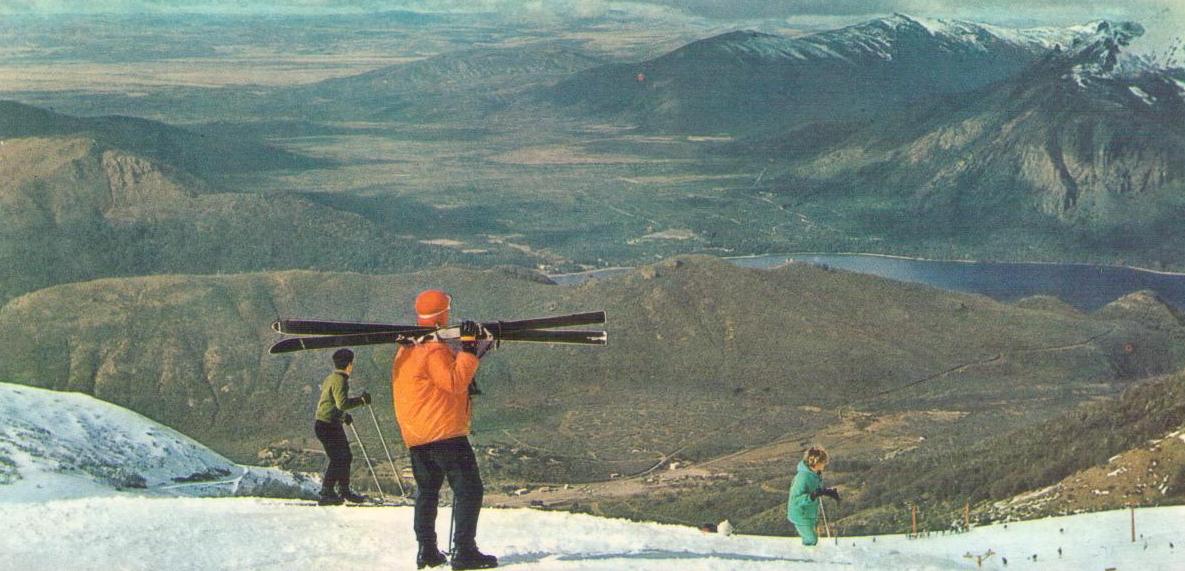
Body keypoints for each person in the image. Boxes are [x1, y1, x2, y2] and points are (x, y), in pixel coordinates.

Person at [393, 289, 497, 570]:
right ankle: (464, 551)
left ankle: (427, 550)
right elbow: (454, 382)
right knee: (469, 489)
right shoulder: (433, 349)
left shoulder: (406, 348)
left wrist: (469, 352)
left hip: (417, 436)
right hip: (444, 434)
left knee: (427, 492)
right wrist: (468, 349)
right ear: (443, 313)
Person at [313, 348, 372, 506]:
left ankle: (340, 491)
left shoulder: (331, 378)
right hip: (328, 424)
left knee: (343, 456)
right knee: (340, 457)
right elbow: (342, 403)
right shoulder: (340, 380)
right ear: (349, 365)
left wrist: (342, 416)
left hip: (326, 423)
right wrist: (361, 400)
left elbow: (329, 402)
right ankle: (328, 492)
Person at [787, 446, 840, 546]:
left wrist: (827, 492)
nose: (825, 464)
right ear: (816, 462)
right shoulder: (802, 477)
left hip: (810, 513)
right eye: (823, 461)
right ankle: (806, 560)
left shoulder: (815, 474)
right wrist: (812, 496)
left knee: (812, 540)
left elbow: (816, 491)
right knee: (811, 539)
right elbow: (795, 500)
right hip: (800, 515)